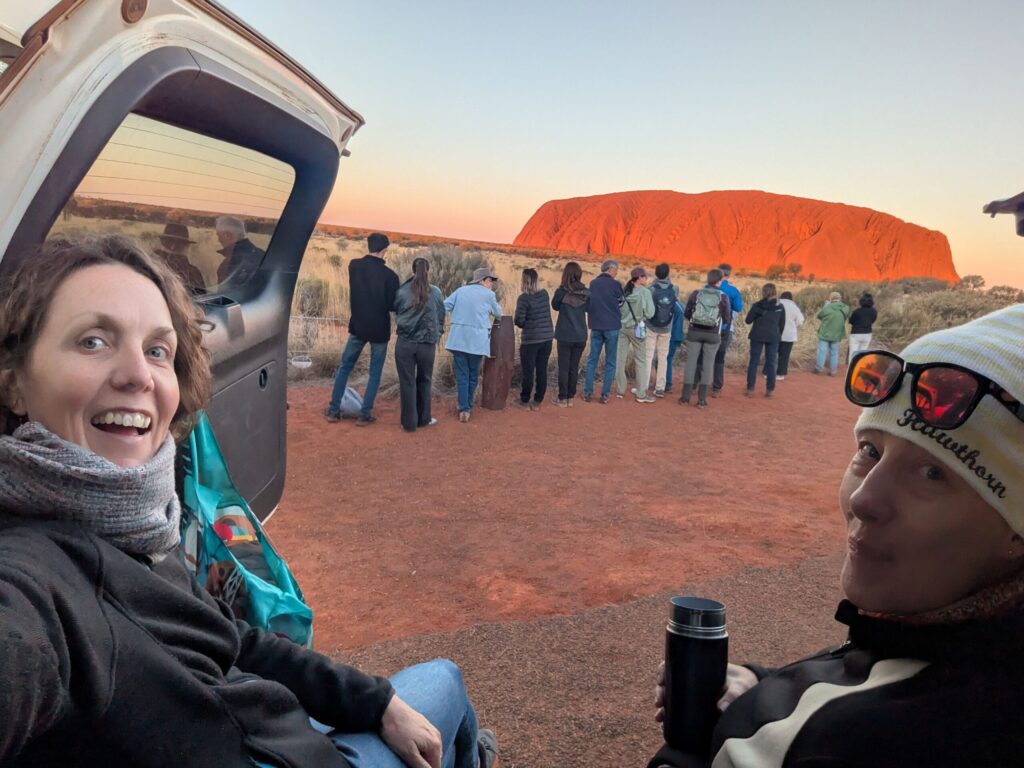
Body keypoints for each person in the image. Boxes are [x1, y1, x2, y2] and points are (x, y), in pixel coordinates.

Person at [0, 234, 497, 768]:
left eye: (157, 350)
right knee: (444, 682)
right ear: (14, 384)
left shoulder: (140, 529)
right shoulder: (34, 579)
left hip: (283, 739)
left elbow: (231, 637)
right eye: (93, 341)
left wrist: (375, 701)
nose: (138, 375)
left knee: (416, 708)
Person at [649, 304, 1024, 768]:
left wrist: (689, 749)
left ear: (1016, 533)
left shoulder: (882, 740)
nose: (864, 499)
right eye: (869, 451)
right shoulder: (940, 634)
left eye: (932, 474)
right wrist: (761, 689)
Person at [325, 233, 399, 426]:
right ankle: (364, 414)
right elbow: (393, 305)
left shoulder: (354, 266)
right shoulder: (390, 276)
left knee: (345, 367)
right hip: (379, 330)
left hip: (358, 326)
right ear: (385, 250)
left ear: (368, 246)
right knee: (375, 372)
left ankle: (333, 410)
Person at [393, 257, 445, 432]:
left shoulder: (402, 291)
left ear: (413, 270)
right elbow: (441, 316)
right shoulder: (436, 292)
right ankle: (424, 418)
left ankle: (409, 423)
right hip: (427, 345)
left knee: (407, 382)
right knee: (425, 380)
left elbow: (397, 311)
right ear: (428, 271)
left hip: (405, 343)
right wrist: (437, 335)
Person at [444, 267, 503, 423]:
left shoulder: (460, 291)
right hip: (477, 341)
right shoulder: (489, 295)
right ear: (482, 280)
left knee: (462, 375)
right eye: (490, 280)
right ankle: (467, 406)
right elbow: (498, 313)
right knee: (473, 375)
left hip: (458, 340)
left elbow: (444, 306)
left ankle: (464, 408)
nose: (491, 284)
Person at [680, 268, 732, 409]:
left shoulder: (696, 294)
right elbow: (727, 318)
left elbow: (687, 313)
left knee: (691, 363)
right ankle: (701, 400)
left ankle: (685, 397)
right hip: (713, 334)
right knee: (708, 365)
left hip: (694, 332)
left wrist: (696, 320)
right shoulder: (723, 297)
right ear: (719, 280)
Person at [694, 263, 744, 397]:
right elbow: (739, 308)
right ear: (728, 274)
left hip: (704, 327)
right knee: (719, 357)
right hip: (724, 328)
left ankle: (694, 385)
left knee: (701, 355)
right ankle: (716, 387)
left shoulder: (705, 288)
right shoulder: (733, 290)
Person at [582, 259, 625, 404]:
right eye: (616, 269)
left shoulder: (593, 284)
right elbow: (621, 302)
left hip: (596, 326)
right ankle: (605, 395)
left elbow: (588, 304)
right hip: (612, 327)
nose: (617, 272)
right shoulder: (616, 284)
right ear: (610, 269)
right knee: (610, 362)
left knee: (592, 359)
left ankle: (588, 393)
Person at [513, 268, 554, 411]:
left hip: (531, 340)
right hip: (547, 338)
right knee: (542, 369)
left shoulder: (523, 298)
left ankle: (524, 400)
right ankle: (537, 400)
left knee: (528, 371)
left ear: (524, 281)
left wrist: (522, 322)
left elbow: (519, 320)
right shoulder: (544, 294)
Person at [550, 261, 589, 407]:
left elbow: (554, 306)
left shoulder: (561, 293)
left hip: (565, 335)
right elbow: (588, 308)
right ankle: (570, 397)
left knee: (564, 367)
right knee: (574, 366)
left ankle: (562, 398)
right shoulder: (586, 293)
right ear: (579, 275)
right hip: (580, 335)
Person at [615, 267, 656, 402]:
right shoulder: (645, 292)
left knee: (620, 359)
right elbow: (650, 313)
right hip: (638, 327)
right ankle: (641, 394)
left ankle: (620, 391)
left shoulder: (625, 291)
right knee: (641, 360)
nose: (646, 278)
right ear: (639, 278)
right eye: (645, 276)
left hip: (622, 328)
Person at [744, 283, 785, 398]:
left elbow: (748, 320)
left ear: (763, 292)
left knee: (753, 362)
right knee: (771, 363)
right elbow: (782, 324)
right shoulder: (780, 307)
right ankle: (770, 390)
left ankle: (750, 389)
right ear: (774, 292)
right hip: (773, 337)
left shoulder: (757, 306)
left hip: (757, 335)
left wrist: (757, 314)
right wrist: (777, 334)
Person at [647, 263, 679, 397]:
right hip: (666, 328)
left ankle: (644, 385)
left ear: (656, 273)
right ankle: (660, 387)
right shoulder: (675, 288)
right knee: (663, 358)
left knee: (648, 356)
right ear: (668, 274)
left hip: (651, 326)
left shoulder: (651, 289)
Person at [153, 222, 205, 294]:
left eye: (179, 243)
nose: (173, 246)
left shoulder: (150, 265)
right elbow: (201, 301)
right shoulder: (193, 272)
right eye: (169, 242)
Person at [214, 215, 266, 284]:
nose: (219, 240)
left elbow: (225, 293)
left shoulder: (230, 263)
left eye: (219, 235)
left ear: (228, 235)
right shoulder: (263, 255)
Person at [816, 290, 850, 376]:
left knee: (822, 351)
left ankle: (819, 369)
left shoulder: (828, 307)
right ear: (840, 298)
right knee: (834, 353)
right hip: (837, 334)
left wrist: (826, 305)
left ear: (831, 298)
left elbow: (819, 316)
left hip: (825, 333)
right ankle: (833, 371)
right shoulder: (845, 308)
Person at [775, 290, 804, 379]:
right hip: (789, 335)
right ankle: (780, 374)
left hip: (775, 333)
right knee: (784, 356)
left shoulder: (776, 305)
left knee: (771, 353)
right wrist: (794, 325)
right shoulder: (795, 307)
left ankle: (767, 372)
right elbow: (800, 321)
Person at [663, 297, 686, 394]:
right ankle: (665, 382)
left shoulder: (672, 305)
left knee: (666, 359)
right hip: (678, 335)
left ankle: (667, 383)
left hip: (672, 335)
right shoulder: (681, 305)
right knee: (668, 358)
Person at [848, 292, 878, 363]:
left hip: (856, 333)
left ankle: (851, 368)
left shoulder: (857, 311)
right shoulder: (874, 311)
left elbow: (851, 321)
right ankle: (859, 368)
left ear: (861, 301)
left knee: (853, 353)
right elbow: (873, 320)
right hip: (867, 333)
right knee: (862, 354)